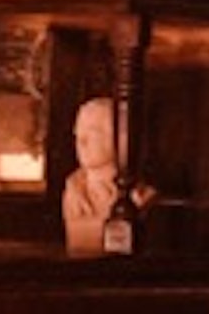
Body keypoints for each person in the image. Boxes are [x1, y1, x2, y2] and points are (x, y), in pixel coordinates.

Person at [62, 97, 155, 254]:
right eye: (78, 134)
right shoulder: (74, 192)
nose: (82, 142)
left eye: (92, 133)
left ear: (117, 138)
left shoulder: (140, 195)